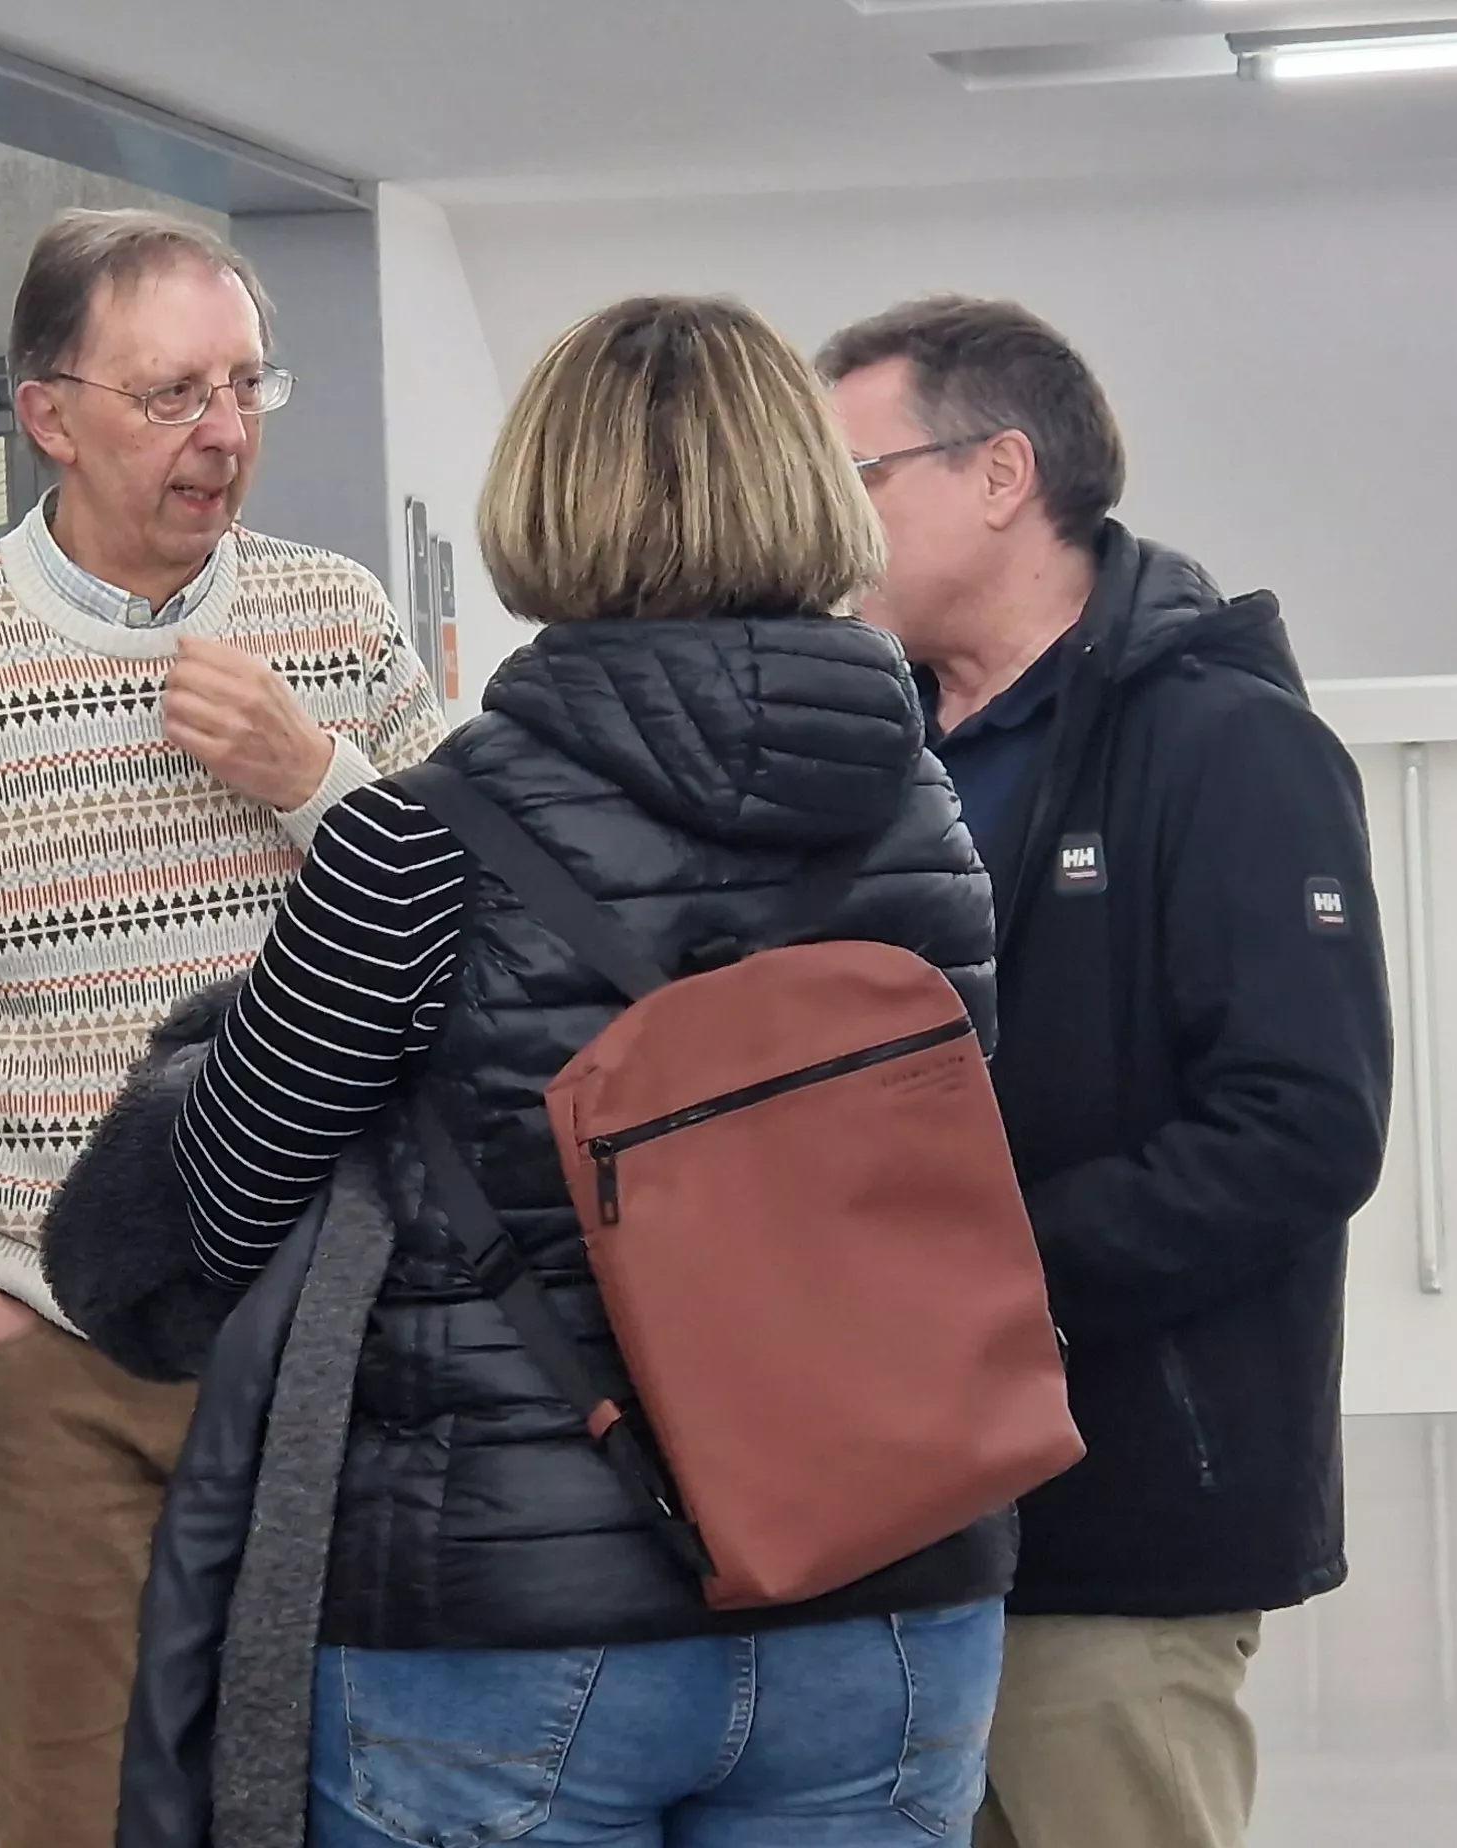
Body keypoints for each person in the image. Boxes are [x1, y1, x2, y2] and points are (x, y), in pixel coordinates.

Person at [94, 292, 1016, 1848]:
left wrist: (203, 1051)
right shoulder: (924, 823)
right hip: (887, 1586)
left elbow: (176, 1253)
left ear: (543, 501)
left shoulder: (410, 844)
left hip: (505, 1621)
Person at [0, 206, 447, 1848]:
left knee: (356, 1801)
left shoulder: (340, 624)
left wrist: (317, 782)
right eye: (170, 394)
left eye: (245, 384)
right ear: (50, 416)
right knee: (80, 1812)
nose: (223, 432)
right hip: (48, 1355)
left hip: (330, 1348)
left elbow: (471, 934)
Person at [816, 297, 1394, 1848]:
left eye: (857, 478)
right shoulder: (877, 755)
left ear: (1002, 474)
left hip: (1125, 1511)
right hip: (899, 1514)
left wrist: (991, 1276)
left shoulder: (1224, 745)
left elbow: (1303, 1125)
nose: (824, 525)